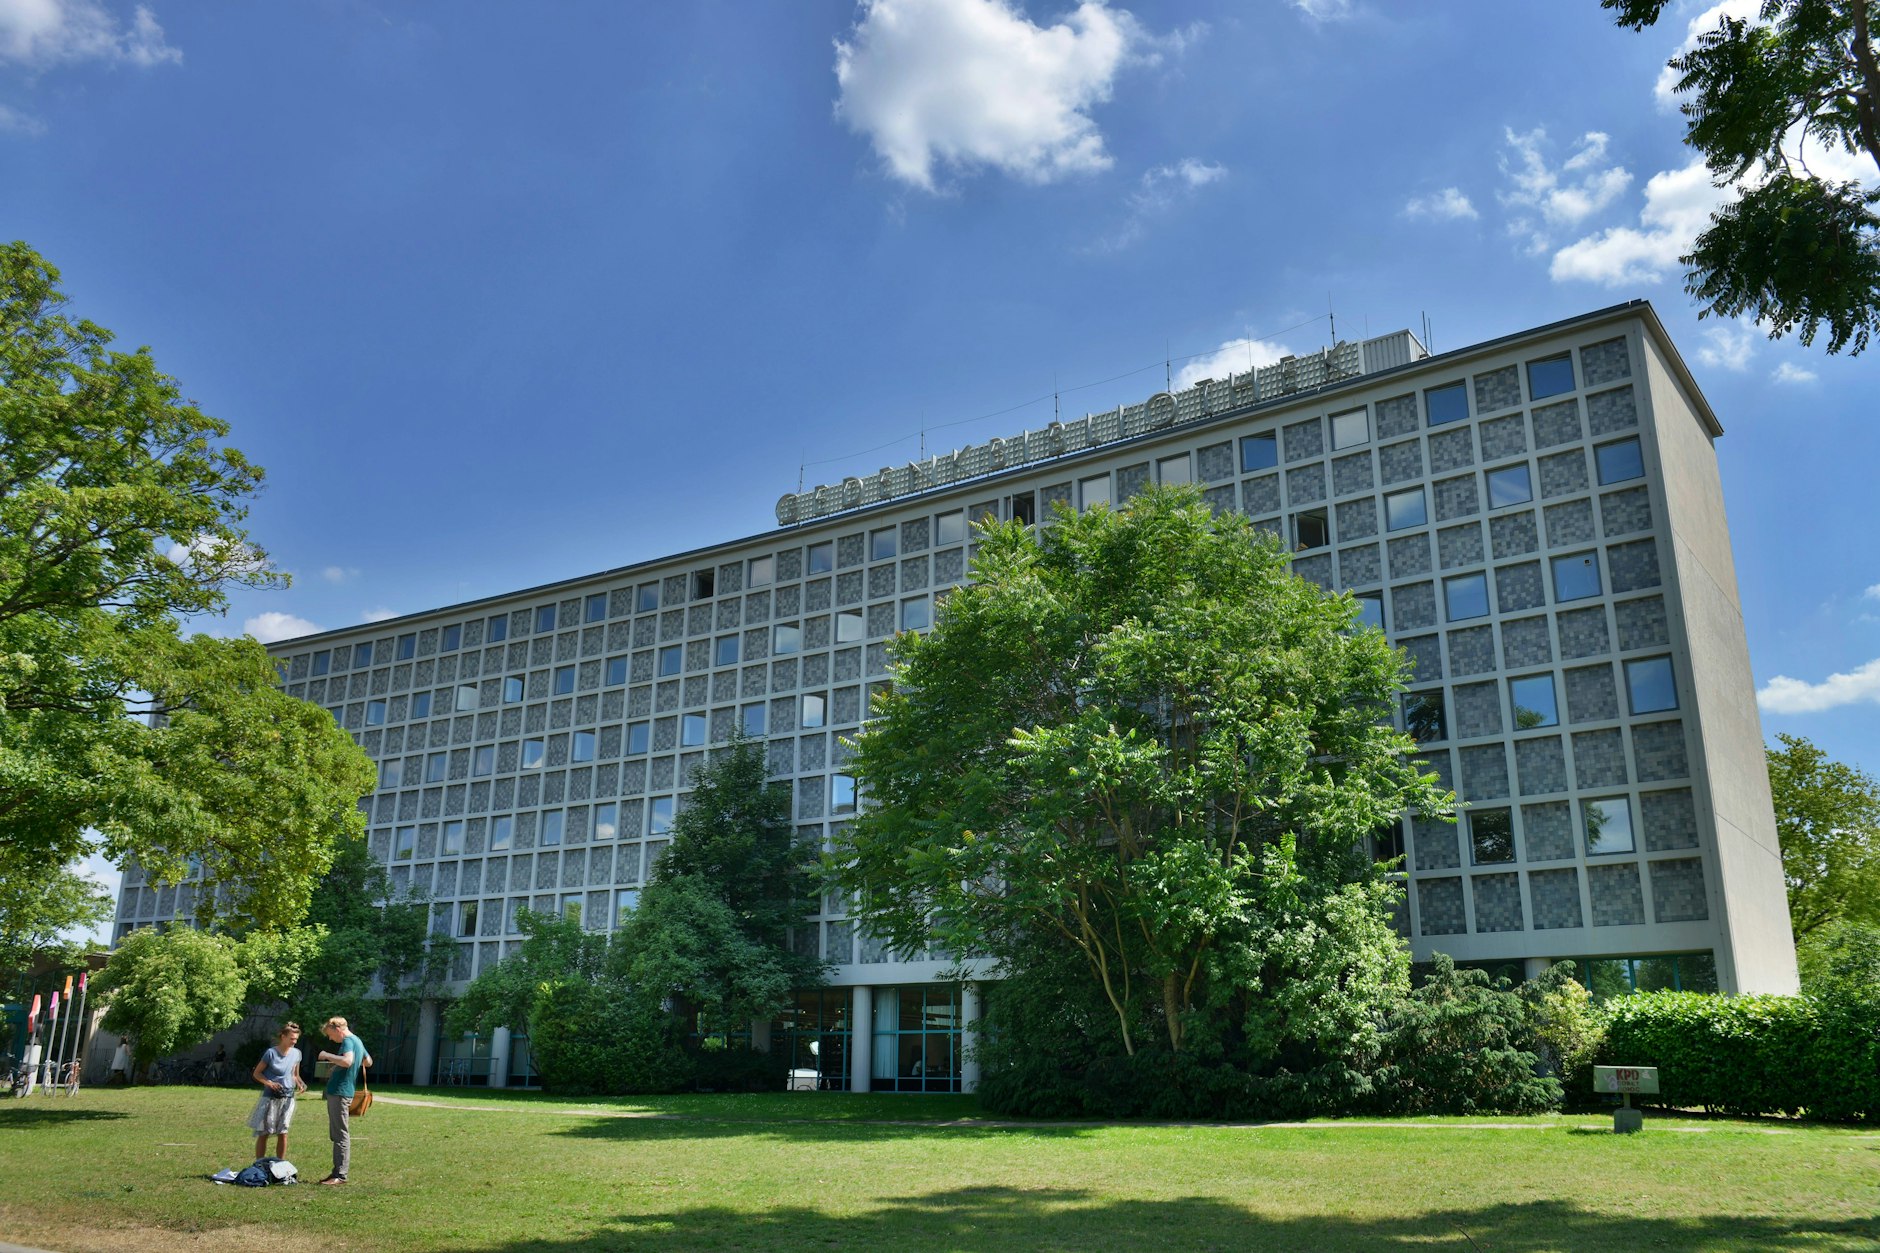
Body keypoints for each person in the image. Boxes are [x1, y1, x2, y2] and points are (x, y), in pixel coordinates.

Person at [315, 1016, 370, 1186]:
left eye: (330, 1034)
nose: (331, 1039)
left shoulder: (347, 1040)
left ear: (337, 1029)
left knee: (340, 1134)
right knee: (339, 1133)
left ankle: (340, 1175)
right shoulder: (357, 1041)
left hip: (339, 1092)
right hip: (345, 1091)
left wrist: (327, 1055)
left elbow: (347, 1061)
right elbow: (368, 1062)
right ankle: (336, 1173)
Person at [247, 1023, 305, 1162]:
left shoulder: (297, 1053)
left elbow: (295, 1074)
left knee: (283, 1132)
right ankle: (259, 1163)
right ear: (283, 1036)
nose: (294, 1042)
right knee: (264, 1132)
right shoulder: (271, 1053)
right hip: (270, 1098)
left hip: (288, 1097)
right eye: (291, 1038)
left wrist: (300, 1083)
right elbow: (257, 1073)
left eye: (296, 1039)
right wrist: (269, 1083)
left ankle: (280, 1163)